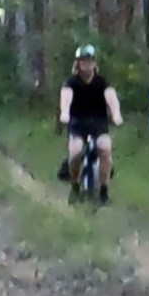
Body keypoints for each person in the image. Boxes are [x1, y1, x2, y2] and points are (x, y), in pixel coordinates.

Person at [56, 44, 122, 202]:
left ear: (94, 63)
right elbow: (66, 97)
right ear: (77, 64)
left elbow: (111, 96)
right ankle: (75, 185)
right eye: (82, 61)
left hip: (98, 123)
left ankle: (104, 189)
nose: (86, 64)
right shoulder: (71, 83)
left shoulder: (101, 82)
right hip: (78, 123)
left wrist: (116, 113)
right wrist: (64, 113)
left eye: (89, 61)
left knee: (105, 148)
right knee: (76, 151)